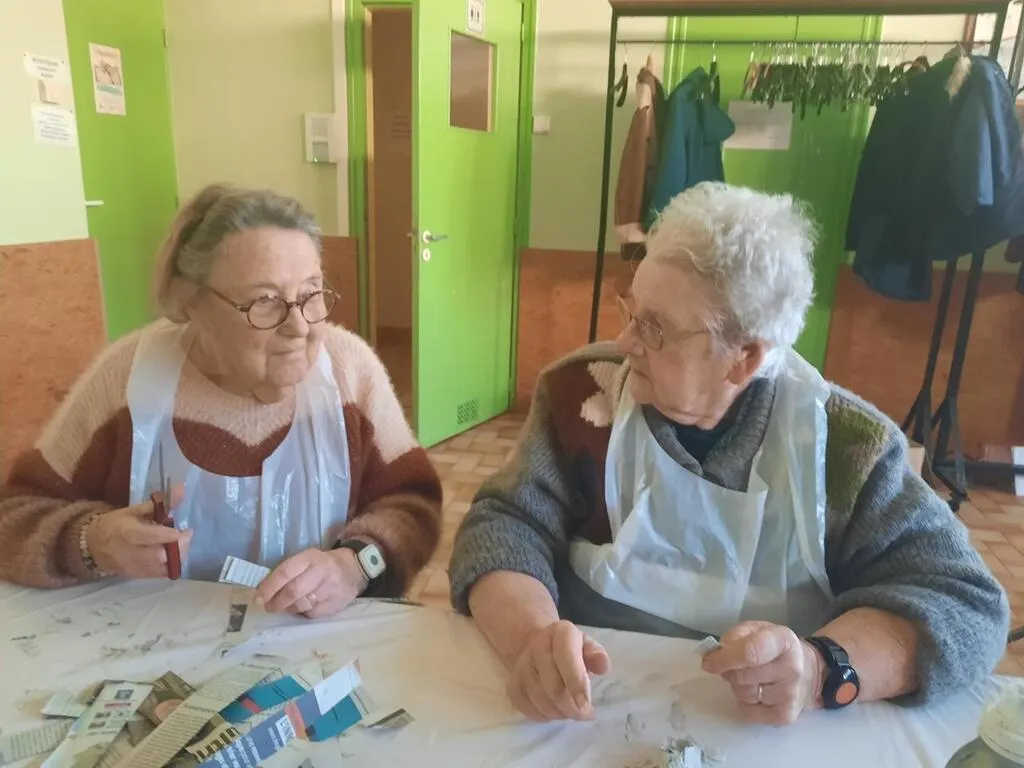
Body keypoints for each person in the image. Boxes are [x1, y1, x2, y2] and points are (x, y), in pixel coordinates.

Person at [449, 183, 1009, 726]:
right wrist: (529, 637)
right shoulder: (581, 395)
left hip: (762, 731)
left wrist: (820, 670)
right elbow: (503, 526)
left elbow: (967, 606)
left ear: (743, 358)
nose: (625, 343)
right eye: (631, 311)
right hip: (589, 710)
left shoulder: (845, 446)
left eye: (654, 328)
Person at [0, 184, 442, 619]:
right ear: (192, 303)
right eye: (265, 301)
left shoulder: (349, 372)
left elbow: (412, 504)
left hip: (314, 648)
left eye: (311, 294)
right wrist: (90, 542)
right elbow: (14, 517)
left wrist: (355, 565)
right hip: (149, 648)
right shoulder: (126, 381)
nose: (299, 327)